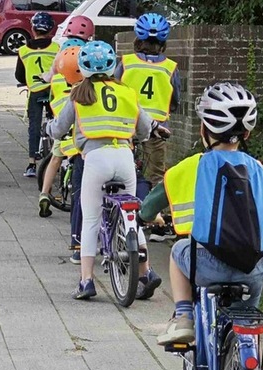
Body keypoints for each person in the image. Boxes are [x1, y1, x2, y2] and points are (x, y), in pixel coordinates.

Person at [137, 83, 263, 345]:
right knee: (248, 317)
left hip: (205, 266)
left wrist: (146, 217)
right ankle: (245, 343)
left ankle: (184, 317)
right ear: (247, 134)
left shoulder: (190, 166)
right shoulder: (256, 168)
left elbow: (150, 206)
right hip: (252, 270)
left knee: (178, 250)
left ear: (204, 129)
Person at [47, 41, 169, 299]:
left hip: (95, 159)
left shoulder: (79, 94)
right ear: (113, 66)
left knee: (91, 221)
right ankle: (146, 272)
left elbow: (58, 129)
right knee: (132, 216)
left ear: (83, 68)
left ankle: (86, 281)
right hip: (124, 158)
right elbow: (145, 128)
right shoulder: (126, 92)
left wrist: (49, 129)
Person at [115, 12, 180, 242]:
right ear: (163, 44)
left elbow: (114, 87)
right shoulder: (170, 68)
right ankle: (156, 220)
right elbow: (175, 99)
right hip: (158, 129)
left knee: (124, 170)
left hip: (127, 125)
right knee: (156, 174)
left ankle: (121, 213)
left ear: (137, 39)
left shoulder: (126, 62)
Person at [38, 43, 83, 219]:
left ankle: (44, 194)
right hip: (81, 133)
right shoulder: (87, 86)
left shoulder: (56, 81)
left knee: (55, 159)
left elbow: (51, 102)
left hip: (62, 130)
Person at [15, 12, 60, 177]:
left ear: (33, 29)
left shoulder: (23, 51)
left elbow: (19, 76)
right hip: (54, 90)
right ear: (51, 30)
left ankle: (31, 163)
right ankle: (59, 157)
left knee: (33, 125)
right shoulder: (56, 49)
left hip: (35, 91)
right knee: (58, 120)